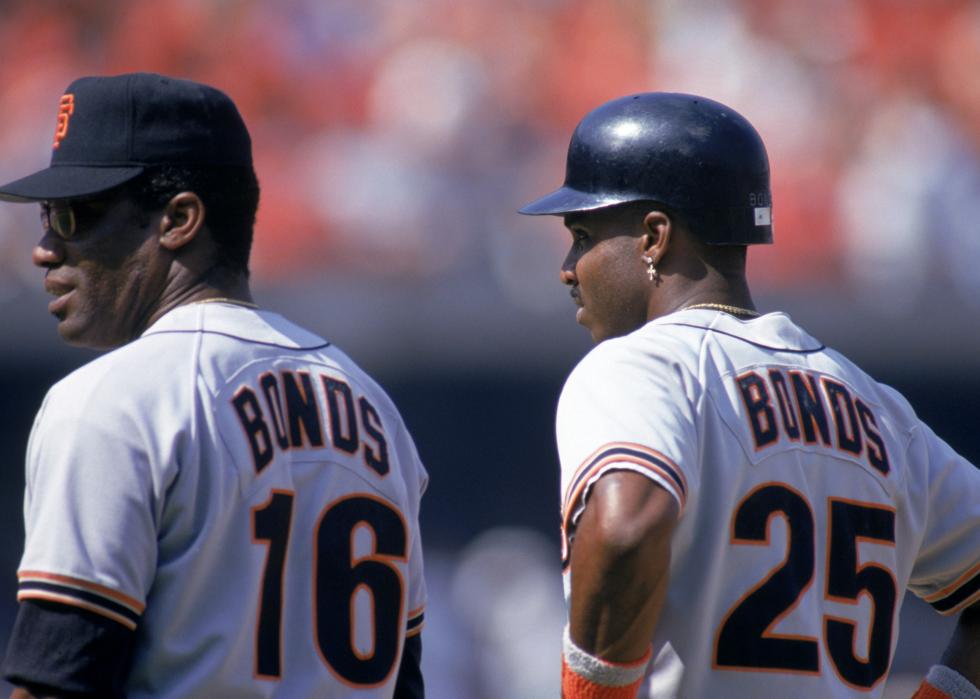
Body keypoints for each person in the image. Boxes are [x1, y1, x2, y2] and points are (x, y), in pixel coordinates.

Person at [519, 92, 980, 699]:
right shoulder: (879, 409)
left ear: (654, 237)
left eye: (583, 234)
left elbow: (628, 526)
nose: (569, 268)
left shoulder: (641, 366)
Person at [0, 72, 427, 698]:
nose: (45, 249)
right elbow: (404, 683)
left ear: (178, 219)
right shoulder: (373, 407)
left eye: (73, 215)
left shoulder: (110, 403)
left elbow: (57, 681)